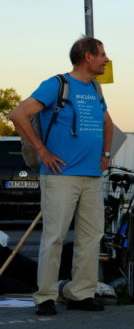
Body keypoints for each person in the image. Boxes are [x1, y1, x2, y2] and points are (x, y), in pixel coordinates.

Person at [10, 37, 115, 316]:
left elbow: (107, 121)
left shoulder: (95, 87)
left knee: (91, 237)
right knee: (54, 236)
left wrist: (106, 153)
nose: (106, 59)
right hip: (59, 175)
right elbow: (18, 114)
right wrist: (42, 151)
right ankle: (45, 296)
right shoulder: (56, 85)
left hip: (92, 176)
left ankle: (81, 293)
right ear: (87, 56)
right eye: (102, 54)